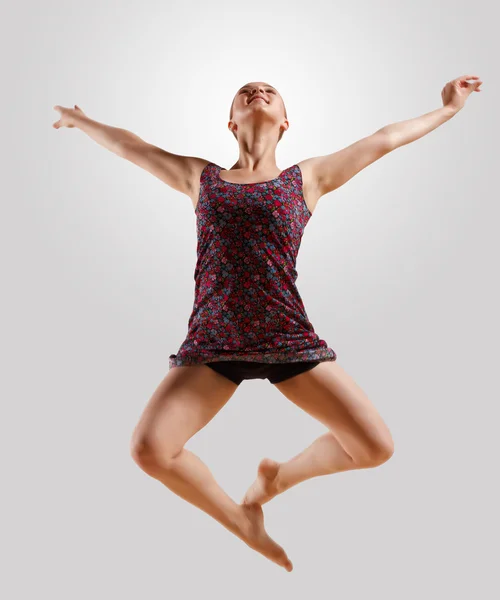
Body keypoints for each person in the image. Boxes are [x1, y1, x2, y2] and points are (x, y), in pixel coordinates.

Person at [53, 74, 482, 572]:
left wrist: (448, 111)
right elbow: (134, 147)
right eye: (246, 91)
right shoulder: (201, 178)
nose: (258, 91)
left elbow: (382, 140)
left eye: (270, 91)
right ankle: (241, 522)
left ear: (285, 123)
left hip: (287, 339)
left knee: (374, 448)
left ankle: (279, 478)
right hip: (214, 343)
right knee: (150, 450)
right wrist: (82, 121)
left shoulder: (307, 178)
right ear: (231, 121)